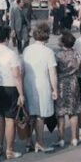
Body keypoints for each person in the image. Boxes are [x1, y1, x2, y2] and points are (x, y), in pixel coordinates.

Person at [0, 25, 25, 160]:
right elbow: (16, 75)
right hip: (10, 87)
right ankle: (9, 150)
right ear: (6, 38)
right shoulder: (11, 54)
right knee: (10, 119)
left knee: (1, 115)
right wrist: (21, 93)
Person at [23, 23, 58, 153]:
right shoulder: (48, 52)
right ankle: (40, 142)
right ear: (47, 36)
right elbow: (52, 73)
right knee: (40, 115)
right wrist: (55, 89)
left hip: (28, 84)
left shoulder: (27, 49)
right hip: (42, 85)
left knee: (31, 114)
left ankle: (28, 141)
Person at [54, 31, 81, 147]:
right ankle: (74, 138)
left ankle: (60, 139)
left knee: (60, 113)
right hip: (74, 83)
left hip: (60, 84)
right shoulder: (77, 54)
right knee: (73, 112)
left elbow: (53, 71)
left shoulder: (58, 55)